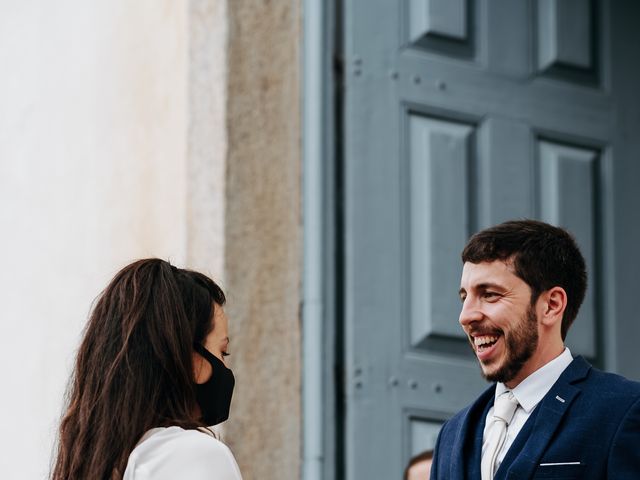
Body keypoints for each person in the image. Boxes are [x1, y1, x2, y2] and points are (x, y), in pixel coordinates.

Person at [431, 220, 640, 480]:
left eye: (490, 295)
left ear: (551, 305)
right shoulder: (450, 435)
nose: (466, 316)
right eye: (465, 298)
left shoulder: (624, 410)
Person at [51, 259, 242, 480]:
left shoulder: (98, 463)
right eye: (222, 352)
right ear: (188, 358)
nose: (225, 367)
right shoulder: (193, 456)